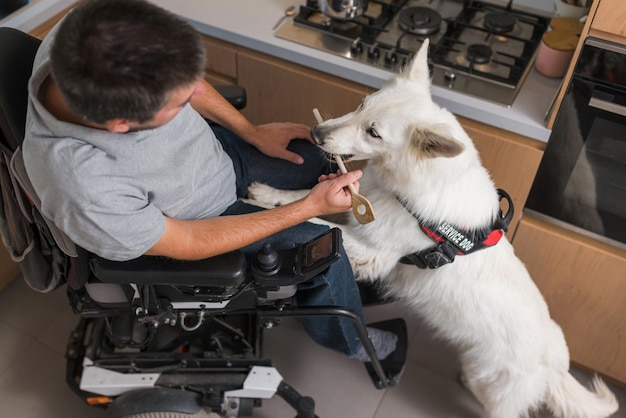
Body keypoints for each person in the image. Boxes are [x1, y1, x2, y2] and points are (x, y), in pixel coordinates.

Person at [22, 0, 396, 361]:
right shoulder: (83, 184)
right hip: (200, 222)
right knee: (325, 249)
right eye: (178, 105)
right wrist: (307, 209)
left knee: (321, 154)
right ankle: (351, 341)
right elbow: (186, 240)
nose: (196, 94)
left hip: (216, 155)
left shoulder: (91, 28)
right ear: (120, 126)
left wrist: (251, 132)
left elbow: (191, 84)